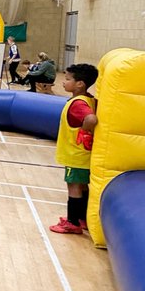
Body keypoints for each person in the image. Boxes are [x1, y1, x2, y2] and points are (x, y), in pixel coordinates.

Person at [49, 63, 99, 235]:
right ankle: (81, 219)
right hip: (84, 155)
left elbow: (91, 119)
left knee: (74, 187)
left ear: (80, 84)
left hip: (76, 155)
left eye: (68, 79)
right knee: (82, 186)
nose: (64, 82)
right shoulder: (90, 99)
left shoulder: (78, 104)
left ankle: (72, 222)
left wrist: (85, 129)